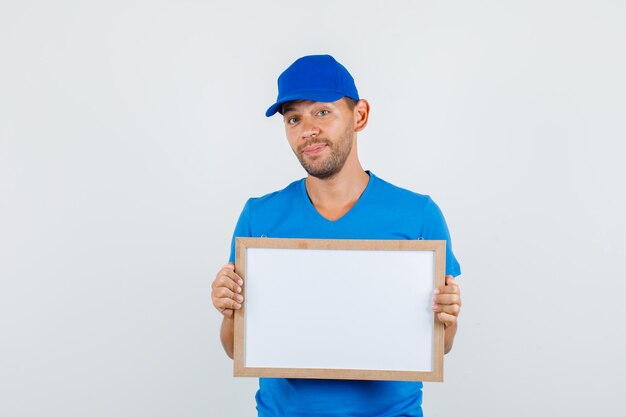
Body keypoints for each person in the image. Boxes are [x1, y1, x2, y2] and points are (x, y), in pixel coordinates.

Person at [211, 54, 462, 417]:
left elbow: (440, 347)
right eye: (293, 118)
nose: (306, 129)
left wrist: (447, 319)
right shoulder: (260, 216)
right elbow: (236, 347)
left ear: (359, 115)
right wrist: (228, 309)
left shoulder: (417, 214)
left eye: (322, 112)